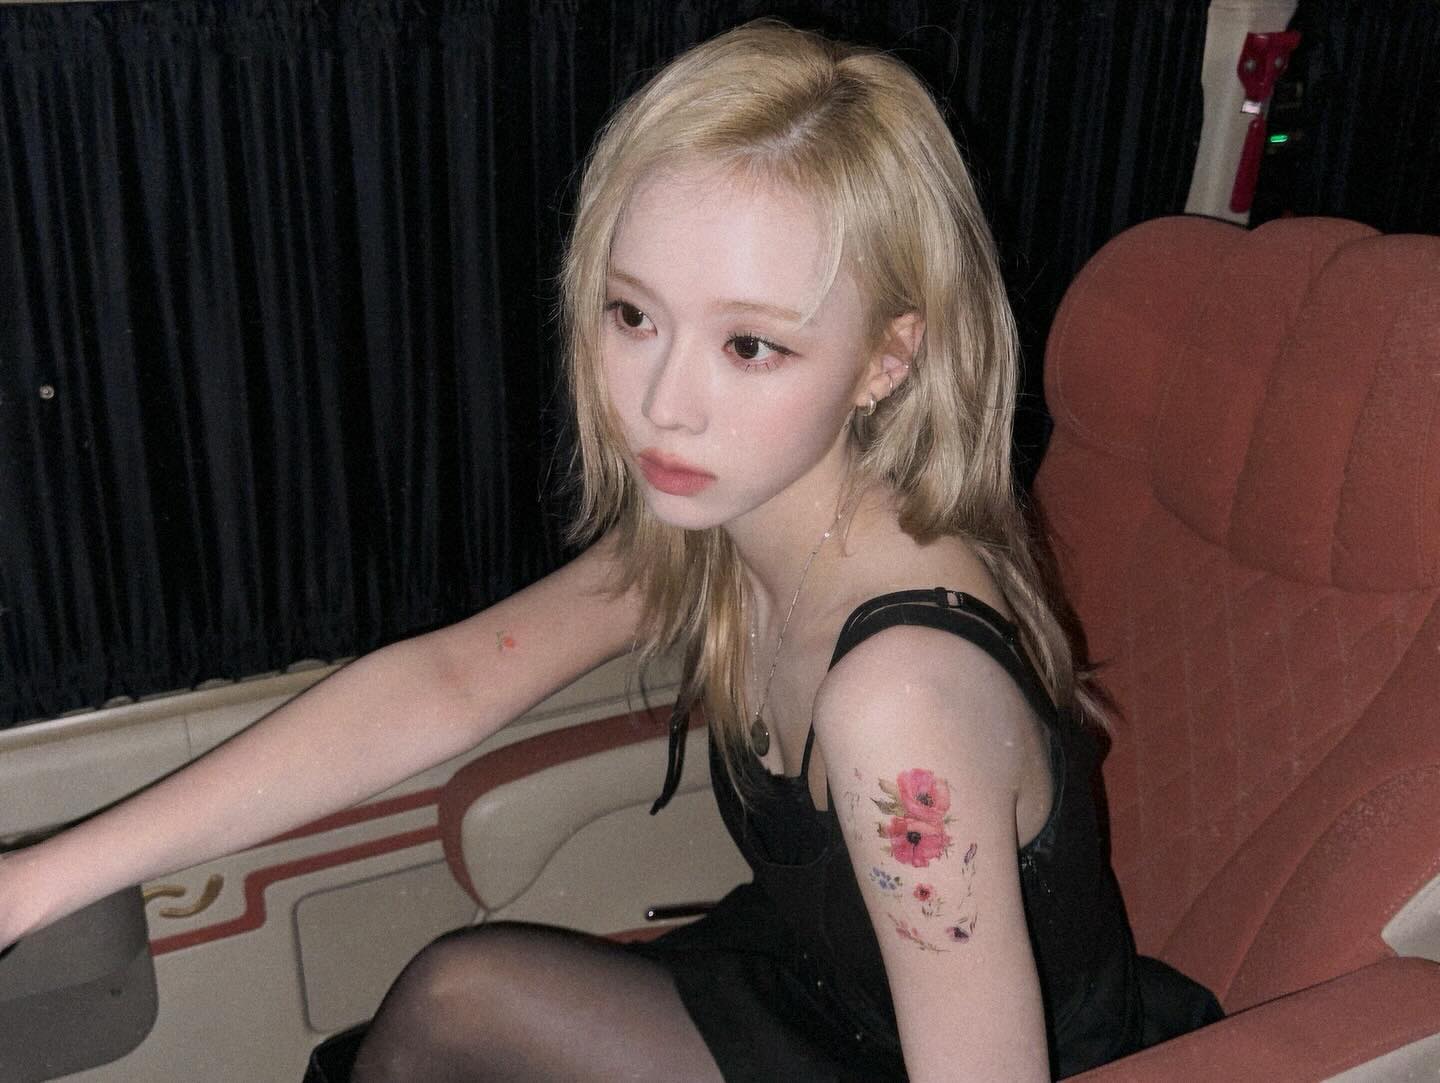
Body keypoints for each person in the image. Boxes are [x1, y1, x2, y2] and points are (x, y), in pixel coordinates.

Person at [0, 21, 1221, 1081]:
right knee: (452, 997)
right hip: (816, 985)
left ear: (887, 359)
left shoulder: (899, 696)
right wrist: (38, 883)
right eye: (633, 315)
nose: (662, 405)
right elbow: (449, 682)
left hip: (930, 1056)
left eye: (750, 346)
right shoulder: (741, 521)